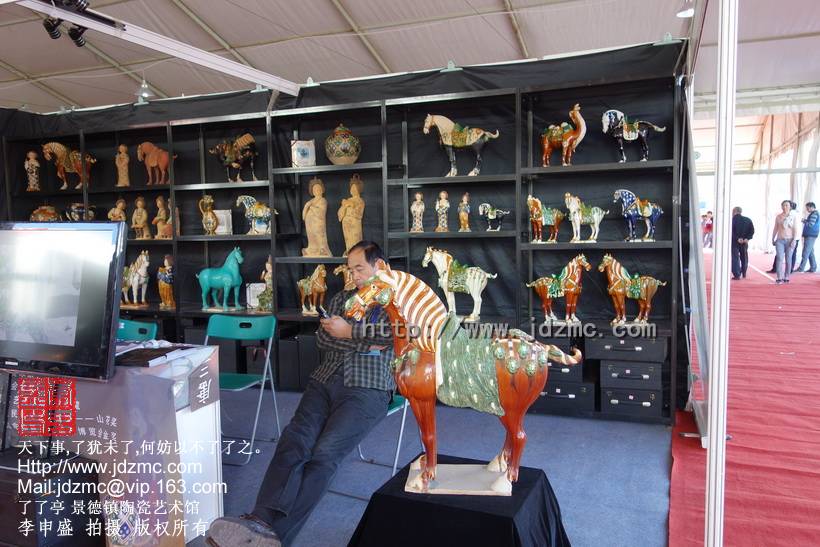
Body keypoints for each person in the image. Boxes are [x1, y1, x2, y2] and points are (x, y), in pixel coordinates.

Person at [206, 241, 395, 547]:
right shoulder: (342, 298)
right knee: (294, 441)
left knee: (323, 455)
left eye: (359, 268)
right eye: (350, 269)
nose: (354, 276)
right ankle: (260, 520)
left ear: (379, 266)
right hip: (324, 380)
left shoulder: (396, 301)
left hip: (368, 387)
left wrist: (348, 332)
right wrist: (363, 341)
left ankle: (273, 537)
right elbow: (323, 340)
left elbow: (394, 336)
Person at [772, 200, 801, 284]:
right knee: (779, 258)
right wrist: (772, 238)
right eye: (783, 205)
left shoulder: (793, 217)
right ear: (781, 207)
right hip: (780, 240)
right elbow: (775, 228)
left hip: (790, 240)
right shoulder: (778, 217)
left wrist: (794, 240)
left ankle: (786, 276)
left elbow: (796, 229)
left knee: (788, 259)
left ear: (790, 207)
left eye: (787, 205)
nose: (785, 207)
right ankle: (779, 277)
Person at [731, 206, 755, 279]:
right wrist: (747, 238)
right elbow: (752, 230)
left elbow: (731, 231)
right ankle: (744, 272)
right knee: (744, 257)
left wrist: (737, 239)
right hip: (744, 242)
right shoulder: (748, 220)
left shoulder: (732, 220)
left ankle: (737, 274)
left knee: (735, 257)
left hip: (735, 242)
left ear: (734, 212)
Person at [797, 202, 818, 273]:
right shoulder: (814, 213)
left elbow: (810, 224)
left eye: (807, 208)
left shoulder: (814, 214)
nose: (807, 209)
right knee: (810, 252)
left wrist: (803, 220)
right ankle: (813, 267)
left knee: (805, 252)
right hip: (811, 234)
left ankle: (801, 268)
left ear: (812, 207)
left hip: (810, 235)